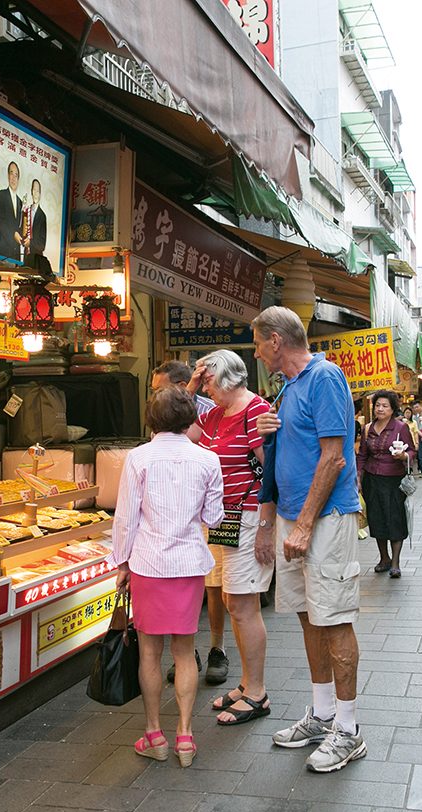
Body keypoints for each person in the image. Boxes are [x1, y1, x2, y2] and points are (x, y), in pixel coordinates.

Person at [252, 306, 366, 773]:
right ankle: (321, 715)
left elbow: (334, 458)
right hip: (295, 519)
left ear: (276, 341)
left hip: (326, 520)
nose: (257, 351)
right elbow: (291, 454)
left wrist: (303, 524)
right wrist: (267, 437)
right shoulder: (290, 387)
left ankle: (349, 728)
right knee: (308, 617)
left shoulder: (325, 377)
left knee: (334, 619)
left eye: (258, 342)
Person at [109, 386, 224, 768]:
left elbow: (125, 518)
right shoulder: (208, 460)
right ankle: (186, 737)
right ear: (190, 418)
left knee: (149, 652)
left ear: (151, 419)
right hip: (189, 564)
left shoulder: (138, 459)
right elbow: (213, 518)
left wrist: (121, 563)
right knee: (184, 651)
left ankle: (154, 732)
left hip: (148, 565)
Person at [185, 350, 274, 721]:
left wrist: (266, 527)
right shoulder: (216, 415)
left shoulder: (256, 410)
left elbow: (271, 472)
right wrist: (189, 387)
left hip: (249, 516)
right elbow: (183, 429)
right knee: (231, 601)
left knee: (243, 604)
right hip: (221, 519)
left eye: (206, 379)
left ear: (225, 378)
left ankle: (257, 692)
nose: (204, 387)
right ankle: (246, 683)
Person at [356, 389, 415, 577]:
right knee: (377, 518)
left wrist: (404, 455)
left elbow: (412, 451)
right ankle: (384, 558)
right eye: (377, 405)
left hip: (394, 480)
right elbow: (362, 455)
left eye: (384, 406)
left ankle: (396, 563)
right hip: (372, 480)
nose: (380, 409)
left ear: (392, 409)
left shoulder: (400, 428)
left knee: (395, 519)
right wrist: (358, 476)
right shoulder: (367, 429)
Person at [0, 160, 24, 259]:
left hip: (17, 254)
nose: (13, 178)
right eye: (11, 173)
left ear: (18, 179)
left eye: (16, 175)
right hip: (4, 251)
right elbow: (0, 222)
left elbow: (21, 227)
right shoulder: (2, 194)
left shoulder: (21, 202)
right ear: (8, 176)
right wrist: (13, 234)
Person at [22, 178, 48, 259]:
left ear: (40, 194)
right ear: (31, 192)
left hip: (37, 258)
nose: (36, 194)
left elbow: (42, 245)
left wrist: (30, 243)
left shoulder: (42, 216)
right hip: (25, 256)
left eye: (38, 191)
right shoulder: (26, 211)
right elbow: (22, 232)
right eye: (34, 190)